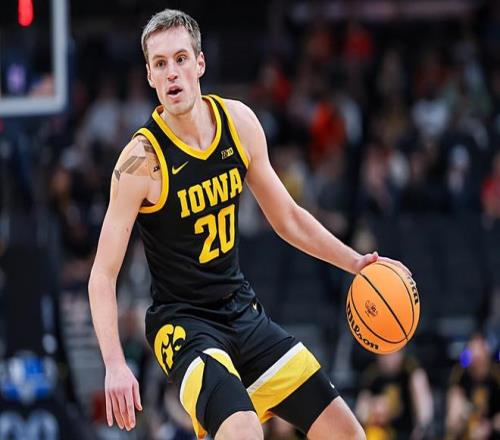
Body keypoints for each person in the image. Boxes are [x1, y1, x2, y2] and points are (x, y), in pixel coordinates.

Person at [88, 9, 410, 440]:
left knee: (348, 433)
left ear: (200, 63)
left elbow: (288, 217)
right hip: (183, 325)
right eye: (160, 64)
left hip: (243, 311)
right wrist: (114, 363)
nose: (172, 72)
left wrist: (354, 262)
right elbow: (102, 275)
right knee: (244, 430)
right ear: (149, 76)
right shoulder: (140, 162)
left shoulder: (238, 123)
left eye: (180, 59)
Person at [355, 351, 434, 440]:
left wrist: (422, 425)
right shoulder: (372, 373)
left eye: (393, 354)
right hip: (382, 431)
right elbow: (361, 410)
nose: (389, 359)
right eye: (385, 355)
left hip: (407, 431)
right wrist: (373, 410)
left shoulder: (411, 369)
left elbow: (423, 403)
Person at [445, 333, 500, 440]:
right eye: (473, 351)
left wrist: (489, 427)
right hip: (468, 428)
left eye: (480, 353)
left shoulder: (496, 375)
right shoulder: (461, 375)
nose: (476, 357)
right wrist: (463, 417)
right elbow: (453, 416)